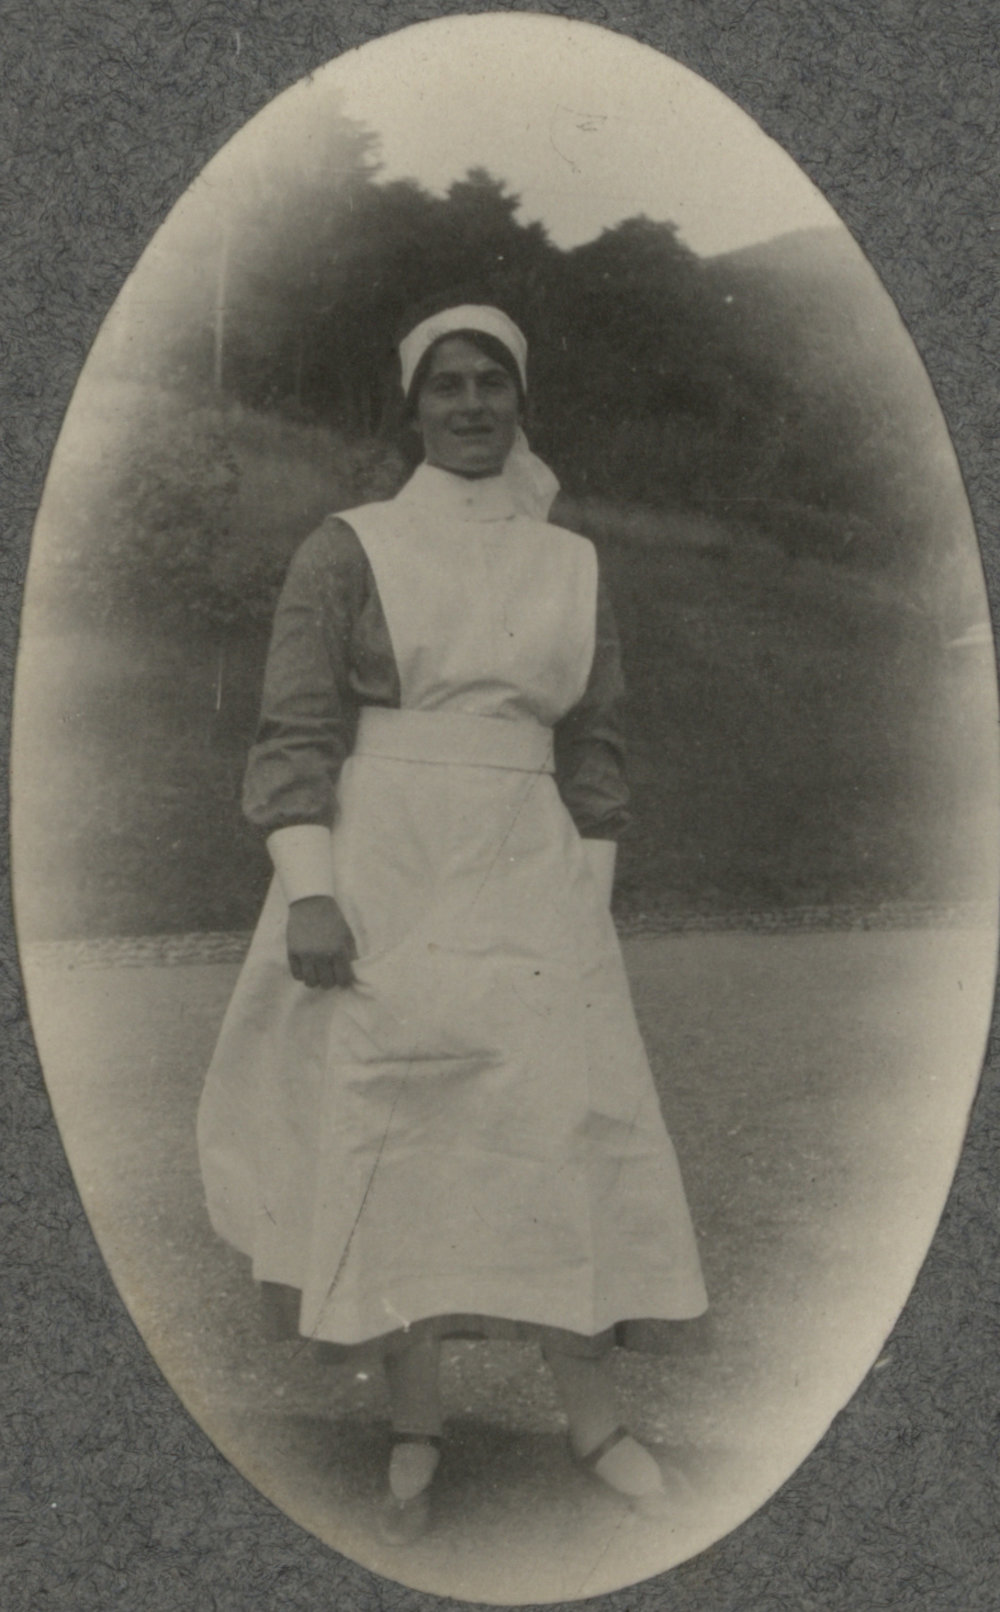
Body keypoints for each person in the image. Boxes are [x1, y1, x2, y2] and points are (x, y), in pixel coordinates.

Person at [197, 303, 708, 1544]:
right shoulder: (348, 546)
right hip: (386, 862)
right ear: (412, 404)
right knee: (397, 1128)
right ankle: (413, 1420)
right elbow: (294, 729)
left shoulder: (570, 561)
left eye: (492, 383)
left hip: (531, 868)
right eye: (447, 384)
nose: (471, 403)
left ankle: (592, 1419)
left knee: (558, 1127)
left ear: (521, 401)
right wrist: (311, 887)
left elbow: (596, 743)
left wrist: (583, 899)